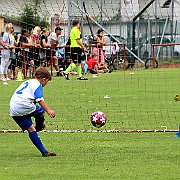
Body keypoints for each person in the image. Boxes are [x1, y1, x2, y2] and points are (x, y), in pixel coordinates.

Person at [10, 67, 56, 157]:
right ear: (44, 79)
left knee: (31, 130)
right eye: (47, 81)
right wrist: (48, 110)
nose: (46, 83)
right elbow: (39, 99)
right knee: (41, 111)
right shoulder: (37, 84)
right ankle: (39, 126)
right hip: (23, 105)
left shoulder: (27, 82)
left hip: (14, 108)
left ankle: (44, 152)